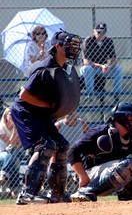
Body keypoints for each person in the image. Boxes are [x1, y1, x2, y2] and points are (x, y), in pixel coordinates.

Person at [11, 30, 82, 204]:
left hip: (41, 114)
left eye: (75, 47)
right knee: (45, 145)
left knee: (62, 145)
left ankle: (56, 194)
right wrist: (47, 106)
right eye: (69, 46)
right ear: (57, 47)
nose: (74, 50)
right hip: (25, 112)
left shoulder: (66, 69)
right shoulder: (45, 67)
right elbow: (24, 95)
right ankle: (27, 194)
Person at [80, 22, 123, 104]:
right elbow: (86, 62)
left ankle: (116, 96)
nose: (100, 35)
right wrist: (101, 66)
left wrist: (109, 67)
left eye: (103, 33)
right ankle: (90, 96)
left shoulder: (109, 41)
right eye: (98, 32)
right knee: (87, 69)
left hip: (104, 70)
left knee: (119, 69)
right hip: (91, 69)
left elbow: (114, 60)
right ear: (94, 31)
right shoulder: (88, 40)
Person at [0, 107, 23, 197]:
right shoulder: (1, 127)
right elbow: (11, 142)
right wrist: (14, 130)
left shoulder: (17, 128)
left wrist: (15, 128)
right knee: (11, 157)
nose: (12, 116)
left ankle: (4, 175)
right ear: (5, 116)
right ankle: (15, 188)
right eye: (10, 114)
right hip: (1, 152)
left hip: (12, 153)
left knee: (14, 158)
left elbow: (18, 144)